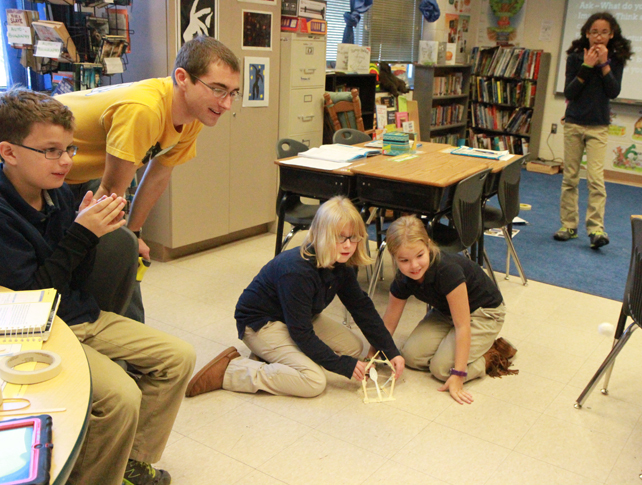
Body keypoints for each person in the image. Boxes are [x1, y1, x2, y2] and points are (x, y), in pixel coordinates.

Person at [0, 87, 196, 485]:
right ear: (9, 152)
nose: (66, 161)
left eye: (70, 149)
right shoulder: (5, 214)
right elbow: (31, 299)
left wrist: (92, 231)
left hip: (75, 313)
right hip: (36, 331)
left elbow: (75, 274)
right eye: (51, 150)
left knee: (178, 357)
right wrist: (80, 234)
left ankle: (129, 462)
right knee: (122, 397)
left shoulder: (54, 194)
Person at [184, 196, 405, 398]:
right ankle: (231, 371)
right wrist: (343, 366)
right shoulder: (297, 271)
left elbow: (361, 308)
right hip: (261, 324)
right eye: (340, 237)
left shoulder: (341, 263)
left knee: (355, 348)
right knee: (313, 381)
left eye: (353, 237)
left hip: (296, 318)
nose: (348, 245)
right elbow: (301, 333)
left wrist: (390, 350)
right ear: (321, 235)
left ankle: (272, 355)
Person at [56, 36, 241, 261]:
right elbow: (111, 189)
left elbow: (158, 177)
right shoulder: (146, 110)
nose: (226, 104)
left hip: (81, 177)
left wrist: (134, 233)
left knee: (122, 257)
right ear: (183, 78)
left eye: (232, 93)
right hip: (42, 169)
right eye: (217, 89)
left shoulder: (192, 116)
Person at [376, 216, 516, 405]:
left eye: (419, 255)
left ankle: (490, 354)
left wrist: (459, 374)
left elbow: (463, 325)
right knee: (410, 356)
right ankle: (461, 348)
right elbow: (389, 321)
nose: (414, 266)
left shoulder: (447, 270)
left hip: (484, 313)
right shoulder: (403, 277)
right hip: (447, 311)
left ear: (429, 245)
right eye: (405, 260)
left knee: (442, 370)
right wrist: (373, 356)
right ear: (394, 258)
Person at [554, 12, 632, 249]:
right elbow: (570, 92)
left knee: (596, 180)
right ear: (587, 33)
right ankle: (568, 225)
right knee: (570, 178)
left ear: (611, 35)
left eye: (604, 32)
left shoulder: (615, 60)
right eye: (594, 31)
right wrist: (587, 66)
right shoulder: (576, 57)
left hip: (598, 126)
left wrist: (605, 64)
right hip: (575, 122)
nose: (599, 36)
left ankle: (596, 228)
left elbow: (613, 91)